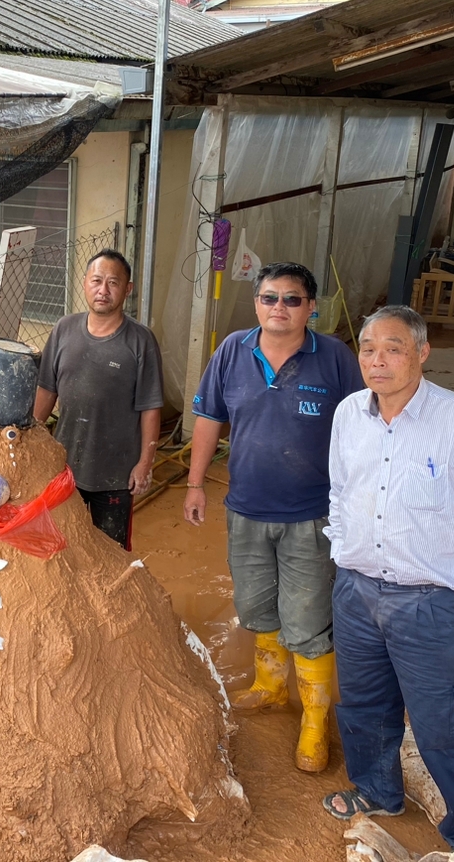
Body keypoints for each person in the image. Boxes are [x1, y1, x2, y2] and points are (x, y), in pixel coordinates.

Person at [320, 305, 454, 851]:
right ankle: (378, 789)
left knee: (444, 723)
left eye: (393, 348)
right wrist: (343, 552)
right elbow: (340, 493)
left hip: (430, 603)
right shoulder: (348, 414)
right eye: (368, 349)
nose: (378, 360)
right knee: (364, 705)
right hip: (357, 590)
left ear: (422, 353)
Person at [183, 261, 362, 774]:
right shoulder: (232, 350)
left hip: (313, 515)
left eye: (291, 299)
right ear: (255, 302)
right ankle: (268, 687)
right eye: (269, 298)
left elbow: (362, 429)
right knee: (258, 607)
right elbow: (209, 418)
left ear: (311, 307)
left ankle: (314, 718)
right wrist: (195, 484)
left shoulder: (334, 358)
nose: (278, 308)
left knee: (306, 618)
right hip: (247, 509)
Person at [34, 248, 162, 550]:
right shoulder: (64, 329)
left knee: (111, 553)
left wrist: (145, 462)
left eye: (113, 283)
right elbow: (46, 390)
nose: (103, 290)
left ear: (127, 289)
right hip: (65, 468)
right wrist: (34, 438)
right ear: (85, 284)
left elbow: (150, 408)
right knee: (64, 548)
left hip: (115, 475)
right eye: (96, 281)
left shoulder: (140, 341)